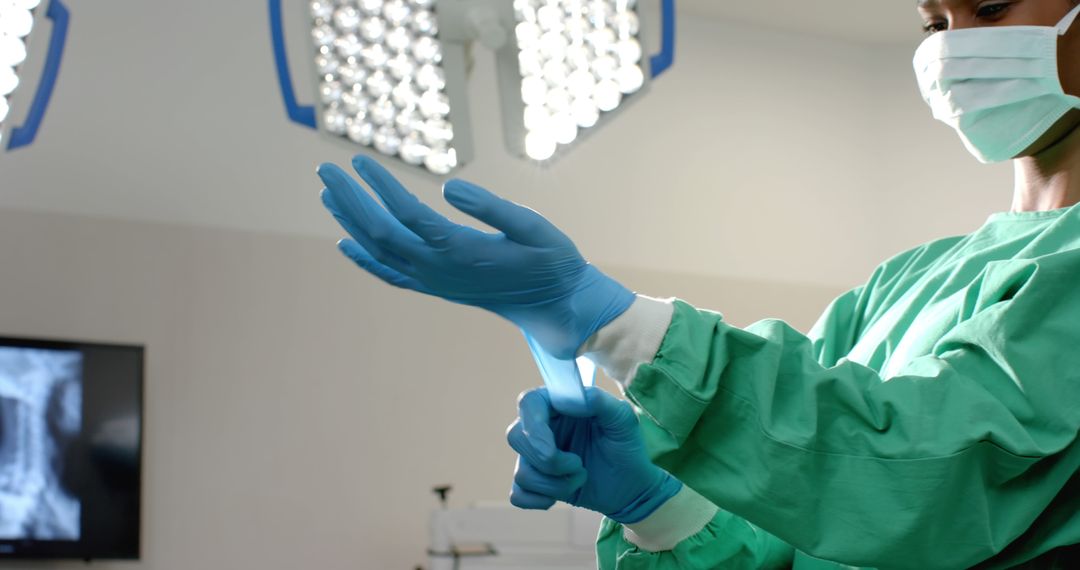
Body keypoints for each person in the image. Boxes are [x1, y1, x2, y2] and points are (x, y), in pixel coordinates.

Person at [317, 0, 1080, 567]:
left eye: (987, 6)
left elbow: (928, 473)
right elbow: (803, 527)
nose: (955, 46)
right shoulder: (905, 283)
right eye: (934, 22)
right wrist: (657, 506)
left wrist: (616, 326)